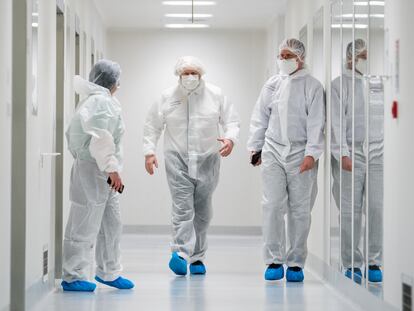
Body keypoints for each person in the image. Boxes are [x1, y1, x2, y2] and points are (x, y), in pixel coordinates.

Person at [143, 56, 240, 276]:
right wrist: (149, 152)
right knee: (182, 208)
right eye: (184, 73)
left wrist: (230, 139)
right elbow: (152, 126)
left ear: (201, 74)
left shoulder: (215, 94)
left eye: (193, 72)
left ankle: (197, 257)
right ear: (178, 75)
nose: (189, 77)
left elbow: (232, 121)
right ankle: (179, 253)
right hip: (177, 158)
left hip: (208, 158)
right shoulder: (167, 97)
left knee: (203, 211)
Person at [247, 38, 325, 282]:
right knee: (271, 206)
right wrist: (255, 147)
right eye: (280, 55)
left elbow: (316, 122)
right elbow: (260, 115)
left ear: (299, 58)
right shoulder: (272, 84)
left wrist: (312, 154)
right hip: (273, 148)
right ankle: (273, 260)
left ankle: (295, 263)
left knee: (300, 210)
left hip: (301, 152)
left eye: (287, 55)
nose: (282, 60)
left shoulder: (312, 86)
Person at [62, 60, 134, 292]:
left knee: (111, 223)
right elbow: (100, 139)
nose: (119, 84)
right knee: (84, 222)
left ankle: (109, 272)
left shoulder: (103, 101)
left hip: (102, 168)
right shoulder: (101, 102)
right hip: (92, 168)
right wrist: (112, 169)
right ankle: (73, 276)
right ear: (111, 81)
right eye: (118, 80)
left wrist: (112, 169)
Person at [331, 39, 384, 283]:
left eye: (366, 54)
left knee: (375, 208)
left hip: (377, 151)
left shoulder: (376, 84)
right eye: (361, 54)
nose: (364, 58)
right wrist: (343, 153)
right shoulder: (339, 85)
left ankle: (374, 261)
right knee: (350, 211)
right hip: (351, 152)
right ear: (350, 57)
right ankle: (351, 263)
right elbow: (336, 123)